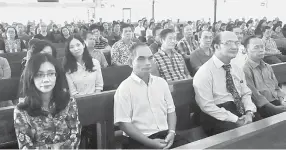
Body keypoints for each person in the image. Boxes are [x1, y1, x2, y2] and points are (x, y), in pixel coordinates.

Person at [114, 42, 189, 149]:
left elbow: (171, 110)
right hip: (139, 140)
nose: (148, 63)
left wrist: (172, 132)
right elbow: (124, 124)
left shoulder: (161, 83)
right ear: (131, 62)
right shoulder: (124, 88)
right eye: (141, 59)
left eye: (150, 58)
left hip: (166, 135)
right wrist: (150, 142)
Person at [193, 31, 257, 136]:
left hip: (239, 108)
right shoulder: (204, 72)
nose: (234, 47)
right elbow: (207, 106)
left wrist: (249, 112)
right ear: (217, 46)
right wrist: (236, 120)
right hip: (217, 115)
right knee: (240, 136)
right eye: (228, 43)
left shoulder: (236, 68)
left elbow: (245, 93)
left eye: (237, 43)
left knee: (264, 126)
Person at [14, 53, 81, 149]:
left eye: (50, 73)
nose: (46, 79)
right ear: (31, 77)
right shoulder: (22, 110)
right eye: (39, 75)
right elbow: (26, 147)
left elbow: (75, 137)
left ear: (56, 76)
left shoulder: (68, 101)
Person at [243, 35, 286, 118]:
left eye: (262, 47)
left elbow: (276, 88)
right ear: (246, 50)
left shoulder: (267, 66)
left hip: (276, 101)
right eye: (256, 47)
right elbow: (255, 96)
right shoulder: (246, 70)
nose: (261, 50)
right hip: (262, 107)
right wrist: (275, 108)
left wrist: (282, 101)